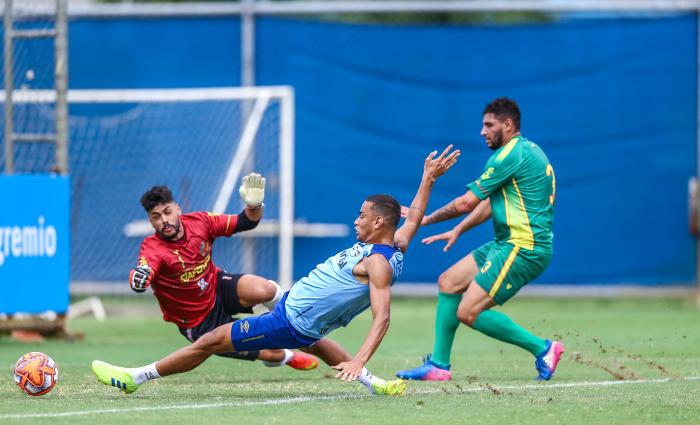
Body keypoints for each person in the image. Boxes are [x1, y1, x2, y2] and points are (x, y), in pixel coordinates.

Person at [92, 145, 460, 396]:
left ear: (379, 221)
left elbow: (383, 317)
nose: (355, 220)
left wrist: (361, 356)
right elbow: (413, 219)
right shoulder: (396, 243)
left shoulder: (378, 263)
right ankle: (372, 383)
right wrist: (428, 178)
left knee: (208, 342)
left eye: (362, 216)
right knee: (301, 326)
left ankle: (135, 376)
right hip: (295, 311)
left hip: (289, 320)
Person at [396, 97, 564, 382]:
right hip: (507, 243)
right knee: (449, 282)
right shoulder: (527, 151)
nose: (482, 131)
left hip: (523, 247)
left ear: (508, 125)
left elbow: (466, 203)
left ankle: (544, 348)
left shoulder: (509, 155)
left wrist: (424, 218)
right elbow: (489, 204)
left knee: (468, 311)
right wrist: (458, 230)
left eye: (489, 125)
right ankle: (438, 365)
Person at [126, 174, 319, 374]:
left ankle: (292, 322)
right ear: (150, 220)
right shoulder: (152, 248)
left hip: (216, 287)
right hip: (198, 322)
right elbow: (143, 271)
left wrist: (254, 206)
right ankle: (285, 356)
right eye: (156, 217)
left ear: (177, 209)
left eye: (167, 212)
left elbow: (246, 222)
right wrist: (138, 279)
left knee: (266, 290)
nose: (164, 220)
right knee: (273, 352)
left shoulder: (200, 222)